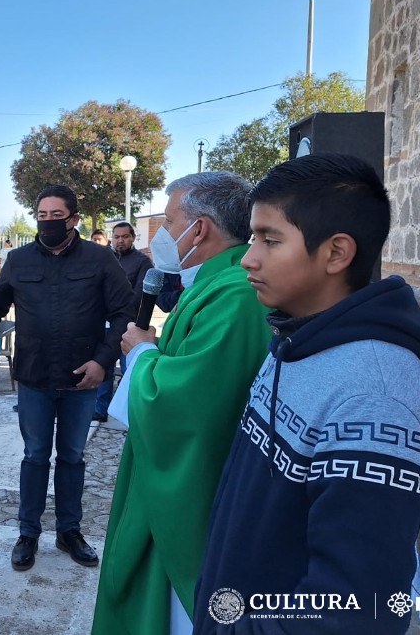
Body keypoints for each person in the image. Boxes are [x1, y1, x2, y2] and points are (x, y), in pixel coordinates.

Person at [192, 155, 420, 633]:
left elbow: (351, 610)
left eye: (270, 239)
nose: (249, 257)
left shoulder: (376, 395)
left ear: (336, 254)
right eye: (252, 237)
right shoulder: (295, 338)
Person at [93, 172, 270, 635]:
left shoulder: (235, 293)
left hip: (192, 487)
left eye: (169, 222)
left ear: (201, 229)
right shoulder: (213, 283)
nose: (162, 236)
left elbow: (190, 399)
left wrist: (141, 354)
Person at [0, 185, 134, 573]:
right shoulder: (17, 260)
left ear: (74, 219)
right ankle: (27, 533)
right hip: (33, 379)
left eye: (56, 216)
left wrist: (103, 361)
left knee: (72, 456)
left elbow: (123, 313)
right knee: (35, 456)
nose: (48, 223)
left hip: (82, 380)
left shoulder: (100, 259)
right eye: (42, 216)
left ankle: (69, 531)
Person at [93, 222, 155, 422]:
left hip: (130, 325)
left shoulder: (142, 262)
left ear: (133, 237)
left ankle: (132, 413)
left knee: (130, 370)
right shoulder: (104, 258)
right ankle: (101, 409)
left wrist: (117, 307)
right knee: (104, 366)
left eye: (125, 236)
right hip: (103, 322)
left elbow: (139, 294)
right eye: (117, 236)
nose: (120, 240)